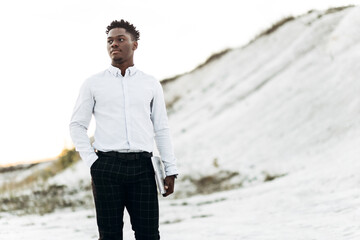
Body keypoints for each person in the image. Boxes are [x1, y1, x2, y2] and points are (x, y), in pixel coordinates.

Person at [69, 19, 178, 240]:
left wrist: (170, 169)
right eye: (110, 41)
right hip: (107, 168)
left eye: (120, 39)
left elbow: (161, 128)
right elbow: (77, 125)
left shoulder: (150, 83)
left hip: (143, 169)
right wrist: (93, 162)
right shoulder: (93, 83)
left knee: (149, 235)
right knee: (109, 236)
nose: (114, 44)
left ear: (134, 44)